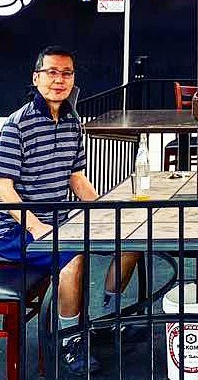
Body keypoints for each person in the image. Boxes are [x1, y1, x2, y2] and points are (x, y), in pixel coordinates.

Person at [0, 47, 142, 376]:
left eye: (66, 73)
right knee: (72, 258)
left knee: (133, 240)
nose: (59, 80)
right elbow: (3, 189)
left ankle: (109, 319)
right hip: (14, 231)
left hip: (60, 221)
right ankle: (70, 341)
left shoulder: (72, 122)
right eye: (51, 72)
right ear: (36, 78)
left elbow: (76, 179)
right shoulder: (16, 126)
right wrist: (37, 228)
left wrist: (106, 211)